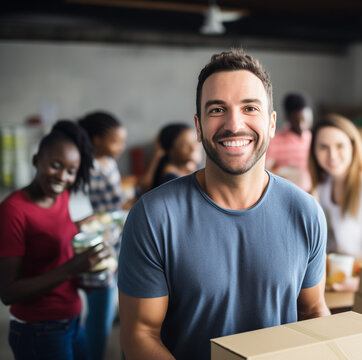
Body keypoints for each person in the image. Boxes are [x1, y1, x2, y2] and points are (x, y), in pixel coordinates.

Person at [118, 48, 330, 359]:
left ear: (271, 123)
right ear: (198, 126)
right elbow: (139, 334)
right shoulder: (153, 216)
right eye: (217, 109)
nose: (234, 124)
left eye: (249, 108)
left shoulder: (305, 212)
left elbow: (312, 311)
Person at [0, 120, 109, 360]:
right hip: (38, 330)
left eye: (71, 171)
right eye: (55, 165)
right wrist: (72, 269)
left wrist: (89, 274)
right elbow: (8, 292)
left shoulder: (60, 198)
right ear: (36, 161)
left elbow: (55, 248)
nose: (62, 177)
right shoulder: (13, 211)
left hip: (71, 322)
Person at [310, 113, 362, 292]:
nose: (332, 155)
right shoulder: (323, 187)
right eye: (323, 147)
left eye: (340, 146)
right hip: (334, 282)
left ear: (353, 147)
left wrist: (357, 284)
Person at [78, 111, 128, 360]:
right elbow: (106, 211)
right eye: (115, 141)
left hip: (116, 240)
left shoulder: (108, 162)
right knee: (101, 311)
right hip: (104, 243)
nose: (121, 147)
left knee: (107, 307)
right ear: (96, 140)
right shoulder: (91, 168)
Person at [266, 92, 313, 191]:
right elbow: (263, 172)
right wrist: (281, 173)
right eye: (296, 120)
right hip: (286, 194)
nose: (301, 126)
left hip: (312, 195)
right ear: (287, 117)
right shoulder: (275, 141)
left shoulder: (313, 139)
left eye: (305, 120)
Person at [150, 123, 201, 189]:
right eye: (185, 144)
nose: (194, 148)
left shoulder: (189, 169)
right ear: (171, 151)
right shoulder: (171, 178)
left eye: (195, 141)